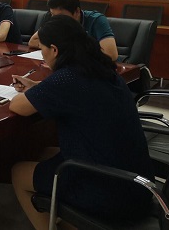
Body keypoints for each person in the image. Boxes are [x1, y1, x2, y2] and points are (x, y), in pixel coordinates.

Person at [10, 15, 154, 229]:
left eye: (42, 50)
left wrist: (33, 91)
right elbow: (76, 92)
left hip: (109, 191)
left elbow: (17, 106)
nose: (42, 55)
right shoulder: (100, 67)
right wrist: (37, 87)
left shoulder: (67, 78)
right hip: (137, 181)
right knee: (43, 152)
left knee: (18, 172)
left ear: (54, 50)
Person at [28, 0, 118, 61]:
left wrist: (67, 50)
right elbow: (33, 41)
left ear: (77, 11)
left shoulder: (96, 20)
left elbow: (111, 55)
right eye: (52, 14)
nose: (55, 19)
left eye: (61, 16)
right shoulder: (52, 18)